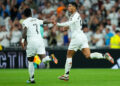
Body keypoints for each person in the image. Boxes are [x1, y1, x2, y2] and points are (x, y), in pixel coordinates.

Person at [53, 2, 114, 81]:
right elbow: (73, 25)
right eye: (68, 6)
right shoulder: (73, 15)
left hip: (76, 38)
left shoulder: (76, 15)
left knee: (69, 55)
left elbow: (70, 22)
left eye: (70, 6)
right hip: (82, 37)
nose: (68, 7)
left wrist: (57, 24)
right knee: (88, 55)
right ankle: (104, 56)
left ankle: (66, 75)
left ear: (74, 7)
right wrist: (67, 27)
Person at [21, 8, 58, 84]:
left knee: (30, 61)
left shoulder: (25, 22)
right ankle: (51, 57)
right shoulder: (36, 20)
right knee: (43, 59)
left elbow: (24, 32)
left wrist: (22, 40)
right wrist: (51, 21)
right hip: (40, 41)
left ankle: (32, 79)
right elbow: (44, 21)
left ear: (24, 15)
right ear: (31, 14)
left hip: (31, 42)